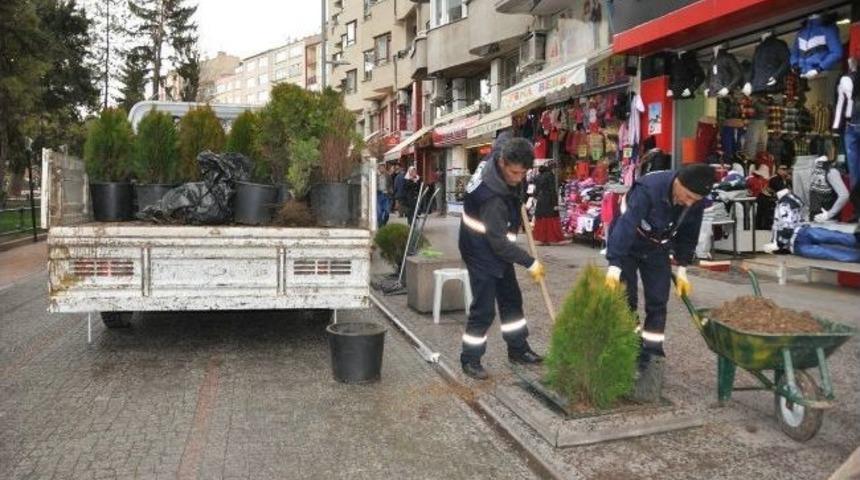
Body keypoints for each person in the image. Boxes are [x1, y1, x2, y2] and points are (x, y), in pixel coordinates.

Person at [604, 164, 714, 370]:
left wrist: (682, 266)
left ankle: (653, 352)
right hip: (629, 244)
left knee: (658, 300)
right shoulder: (648, 189)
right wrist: (615, 263)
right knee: (626, 299)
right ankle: (631, 346)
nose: (689, 203)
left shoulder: (694, 203)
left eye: (695, 200)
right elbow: (626, 225)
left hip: (657, 248)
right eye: (688, 196)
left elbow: (689, 234)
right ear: (678, 181)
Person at [458, 134, 545, 380]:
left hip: (496, 245)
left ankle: (517, 349)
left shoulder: (500, 153)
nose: (518, 178)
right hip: (480, 249)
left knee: (511, 299)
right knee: (484, 308)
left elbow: (505, 137)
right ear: (503, 163)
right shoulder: (492, 198)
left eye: (523, 174)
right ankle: (470, 359)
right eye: (515, 173)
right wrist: (530, 261)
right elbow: (497, 243)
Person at [532, 164, 566, 245]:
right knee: (551, 218)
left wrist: (536, 197)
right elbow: (552, 190)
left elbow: (536, 190)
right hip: (549, 200)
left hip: (540, 200)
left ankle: (541, 238)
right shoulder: (550, 176)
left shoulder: (538, 176)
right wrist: (555, 203)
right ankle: (552, 238)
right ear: (553, 169)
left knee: (541, 218)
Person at [376, 162, 391, 228]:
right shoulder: (375, 176)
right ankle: (380, 226)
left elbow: (390, 184)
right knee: (379, 213)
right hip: (378, 196)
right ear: (378, 168)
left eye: (383, 167)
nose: (382, 168)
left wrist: (390, 190)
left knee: (387, 212)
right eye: (380, 167)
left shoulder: (388, 176)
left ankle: (384, 223)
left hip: (386, 196)